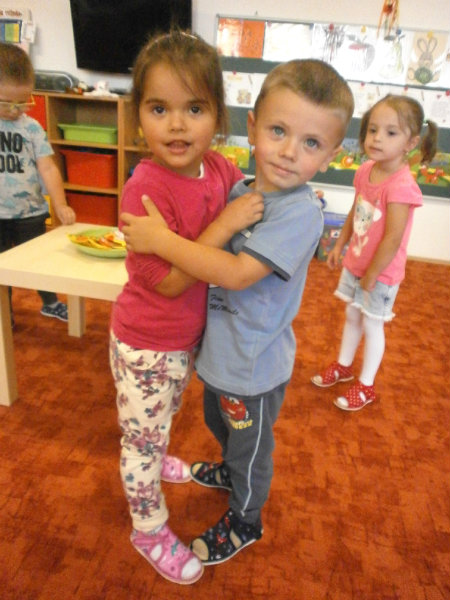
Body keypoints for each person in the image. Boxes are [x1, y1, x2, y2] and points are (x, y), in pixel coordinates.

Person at [121, 58, 354, 565]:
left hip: (253, 368)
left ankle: (247, 518)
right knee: (219, 423)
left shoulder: (300, 213)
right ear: (252, 127)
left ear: (331, 155)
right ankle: (230, 469)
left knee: (252, 449)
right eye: (278, 131)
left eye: (311, 143)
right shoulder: (240, 190)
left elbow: (235, 274)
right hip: (220, 356)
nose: (289, 152)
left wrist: (160, 240)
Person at [109, 30, 263, 585]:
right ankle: (147, 527)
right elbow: (173, 283)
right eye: (159, 108)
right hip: (146, 343)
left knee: (166, 415)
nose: (177, 125)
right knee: (141, 441)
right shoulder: (143, 191)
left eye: (194, 108)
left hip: (185, 341)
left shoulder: (218, 168)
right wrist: (223, 225)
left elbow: (250, 195)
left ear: (217, 114)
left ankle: (159, 454)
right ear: (138, 117)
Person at [311, 94, 438, 411]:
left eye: (391, 132)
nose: (377, 138)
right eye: (372, 130)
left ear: (411, 142)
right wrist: (340, 244)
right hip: (357, 262)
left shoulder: (402, 186)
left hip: (380, 273)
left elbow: (393, 238)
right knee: (352, 315)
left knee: (372, 324)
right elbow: (357, 210)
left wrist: (372, 274)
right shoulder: (365, 170)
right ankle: (344, 366)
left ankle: (366, 386)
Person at [0, 42, 76, 324]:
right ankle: (3, 313)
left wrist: (60, 204)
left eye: (22, 102)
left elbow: (48, 167)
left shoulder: (31, 128)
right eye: (6, 102)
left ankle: (50, 303)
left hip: (30, 212)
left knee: (40, 263)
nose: (14, 109)